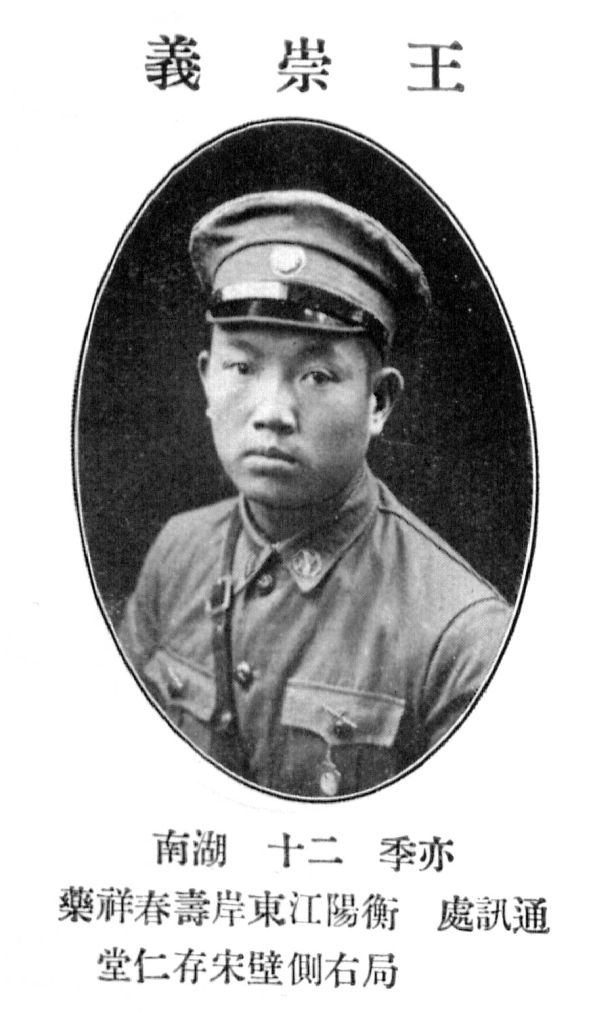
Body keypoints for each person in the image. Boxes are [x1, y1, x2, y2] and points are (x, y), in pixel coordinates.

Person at [119, 189, 511, 798]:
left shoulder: (462, 636)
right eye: (242, 367)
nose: (272, 412)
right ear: (206, 379)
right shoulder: (178, 553)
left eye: (317, 375)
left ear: (378, 402)